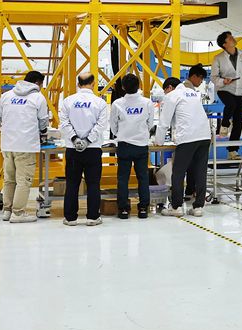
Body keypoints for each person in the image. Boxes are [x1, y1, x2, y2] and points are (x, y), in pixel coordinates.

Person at [0, 69, 50, 224]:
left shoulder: (7, 95)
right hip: (26, 146)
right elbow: (43, 122)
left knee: (9, 180)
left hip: (7, 145)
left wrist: (2, 128)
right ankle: (18, 213)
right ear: (37, 83)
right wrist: (43, 133)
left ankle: (7, 211)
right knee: (24, 180)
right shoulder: (38, 98)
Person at [157, 65, 212, 217]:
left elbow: (164, 122)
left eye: (165, 90)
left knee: (178, 172)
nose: (164, 93)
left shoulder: (172, 95)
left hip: (188, 137)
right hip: (204, 136)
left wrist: (158, 141)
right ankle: (198, 207)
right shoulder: (194, 93)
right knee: (200, 171)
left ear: (170, 88)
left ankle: (176, 207)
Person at [59, 74, 109, 226]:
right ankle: (93, 217)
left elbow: (64, 123)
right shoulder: (100, 103)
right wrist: (87, 140)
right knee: (93, 183)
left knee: (72, 183)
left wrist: (75, 139)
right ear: (93, 84)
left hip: (73, 149)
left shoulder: (68, 101)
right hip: (93, 149)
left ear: (78, 83)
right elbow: (101, 126)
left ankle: (70, 218)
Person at [109, 72, 154, 219]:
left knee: (123, 178)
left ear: (122, 87)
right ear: (139, 86)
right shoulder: (147, 102)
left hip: (124, 144)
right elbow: (150, 124)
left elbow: (113, 125)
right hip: (141, 145)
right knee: (143, 178)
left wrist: (120, 134)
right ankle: (142, 209)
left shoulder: (117, 103)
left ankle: (123, 209)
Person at [211, 31, 242, 159]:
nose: (233, 39)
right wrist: (223, 81)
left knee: (238, 122)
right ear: (224, 44)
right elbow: (214, 78)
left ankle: (232, 151)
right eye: (230, 38)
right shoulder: (218, 58)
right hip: (225, 89)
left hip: (240, 90)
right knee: (231, 104)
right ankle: (224, 125)